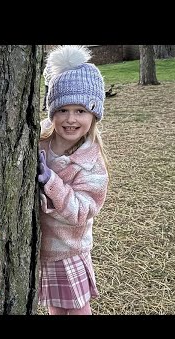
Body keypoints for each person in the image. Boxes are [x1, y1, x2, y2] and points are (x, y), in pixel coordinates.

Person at [37, 45, 109, 315]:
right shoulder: (40, 141)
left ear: (94, 114)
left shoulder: (91, 163)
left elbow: (82, 210)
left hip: (70, 250)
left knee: (78, 309)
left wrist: (51, 181)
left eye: (81, 111)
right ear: (51, 111)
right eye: (63, 109)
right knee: (56, 309)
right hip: (43, 248)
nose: (70, 119)